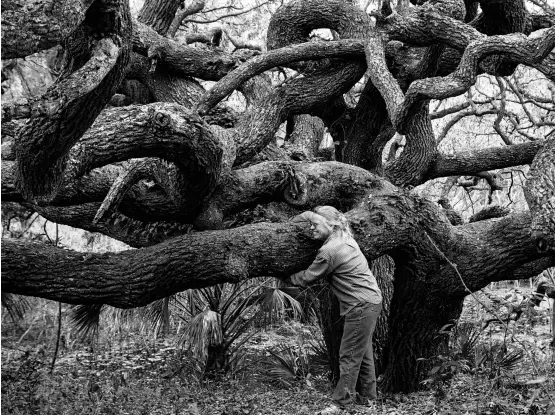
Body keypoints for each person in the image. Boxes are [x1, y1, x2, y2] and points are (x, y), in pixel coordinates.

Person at [289, 206, 383, 415]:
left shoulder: (330, 251)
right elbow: (304, 219)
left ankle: (341, 403)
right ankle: (369, 400)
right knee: (363, 354)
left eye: (315, 224)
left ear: (330, 224)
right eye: (311, 223)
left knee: (349, 355)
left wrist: (286, 276)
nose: (311, 228)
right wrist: (305, 217)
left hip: (360, 306)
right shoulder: (345, 237)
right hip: (370, 301)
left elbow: (306, 278)